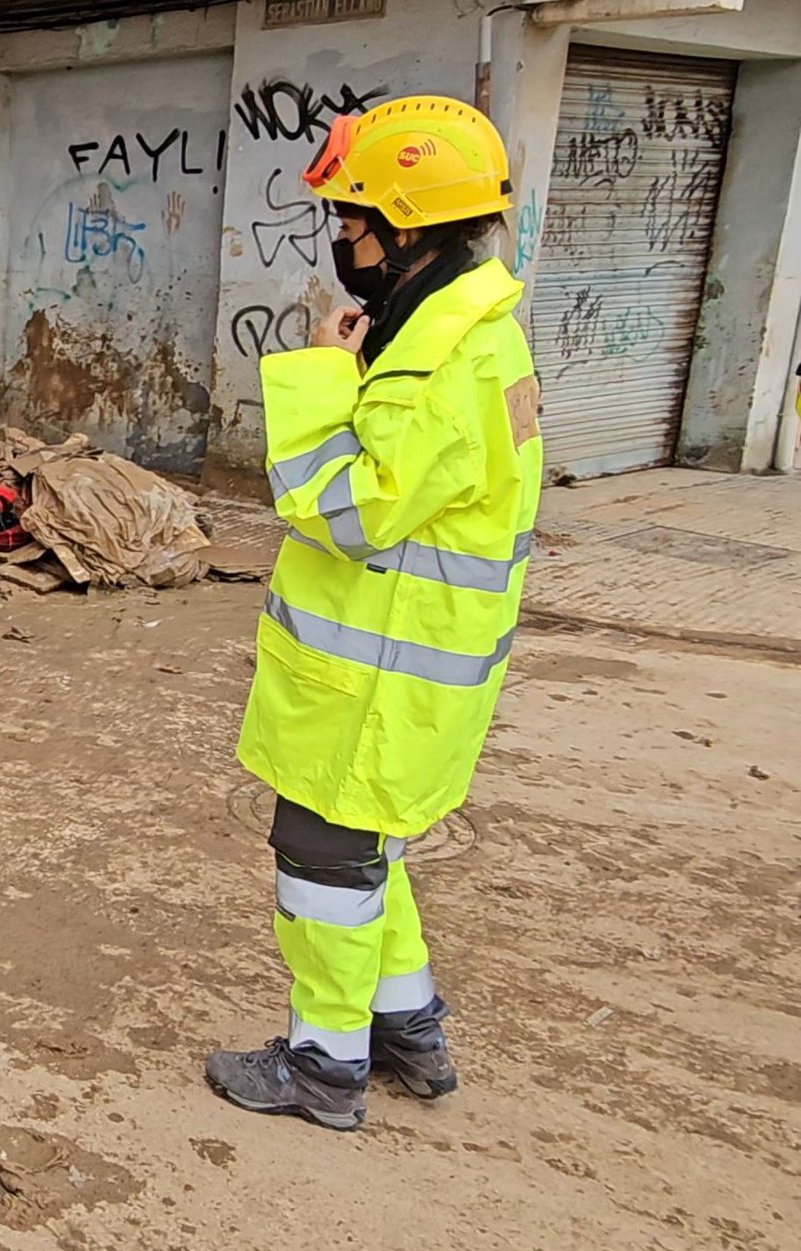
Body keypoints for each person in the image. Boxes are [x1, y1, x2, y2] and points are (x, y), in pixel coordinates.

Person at [207, 97, 542, 1130]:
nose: (338, 240)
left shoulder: (442, 363)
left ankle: (323, 1068)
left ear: (404, 230)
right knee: (370, 855)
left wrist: (316, 375)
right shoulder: (467, 337)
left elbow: (345, 511)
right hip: (412, 674)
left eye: (349, 222)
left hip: (379, 682)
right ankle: (409, 1033)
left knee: (322, 866)